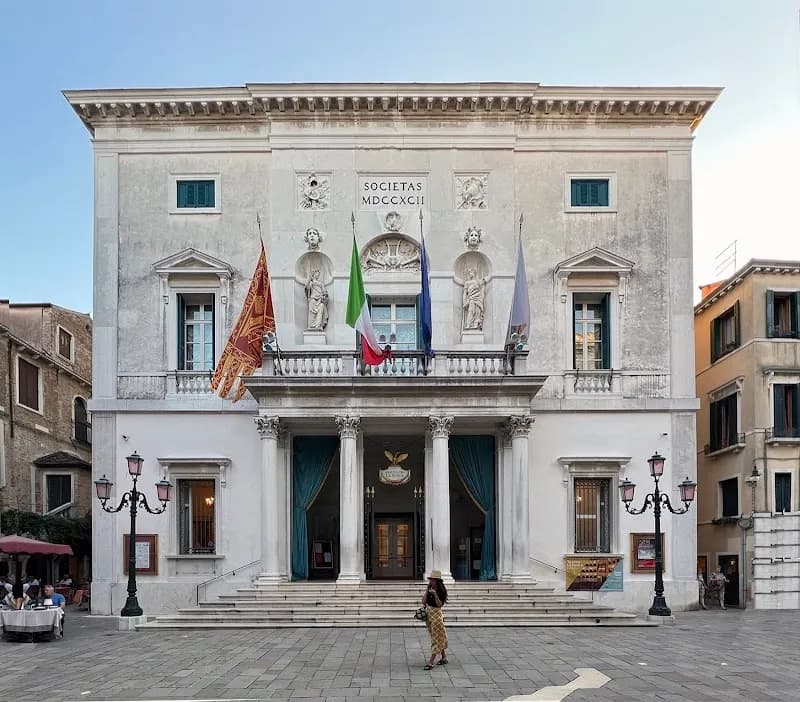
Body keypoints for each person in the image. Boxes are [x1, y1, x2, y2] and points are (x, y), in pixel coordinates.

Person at [422, 569, 449, 670]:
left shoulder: (441, 590)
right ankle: (444, 657)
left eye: (433, 580)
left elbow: (439, 605)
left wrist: (435, 594)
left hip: (437, 616)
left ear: (437, 581)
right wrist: (426, 592)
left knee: (435, 638)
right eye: (430, 580)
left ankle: (431, 661)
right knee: (436, 636)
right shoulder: (429, 588)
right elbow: (423, 602)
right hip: (429, 616)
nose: (431, 581)